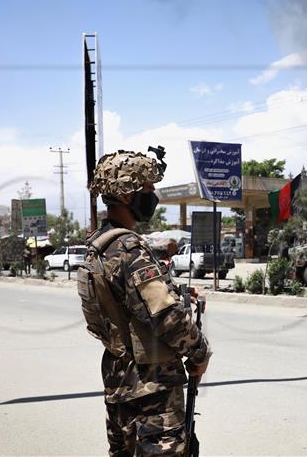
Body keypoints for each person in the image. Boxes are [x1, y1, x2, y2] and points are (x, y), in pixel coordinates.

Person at [79, 149, 211, 456]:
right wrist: (199, 353)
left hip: (119, 382)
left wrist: (176, 291)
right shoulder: (130, 249)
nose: (153, 196)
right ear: (127, 195)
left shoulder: (99, 247)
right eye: (149, 189)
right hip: (152, 387)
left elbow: (127, 304)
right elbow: (168, 318)